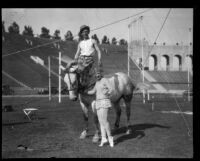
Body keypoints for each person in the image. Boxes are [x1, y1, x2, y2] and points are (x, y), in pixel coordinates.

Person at [87, 75, 114, 147]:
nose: (97, 76)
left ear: (100, 74)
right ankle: (104, 138)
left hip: (104, 101)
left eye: (98, 75)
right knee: (101, 122)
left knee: (104, 120)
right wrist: (85, 92)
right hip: (98, 102)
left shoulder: (105, 80)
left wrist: (107, 93)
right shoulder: (97, 83)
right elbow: (93, 91)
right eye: (95, 75)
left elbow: (111, 89)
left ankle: (110, 137)